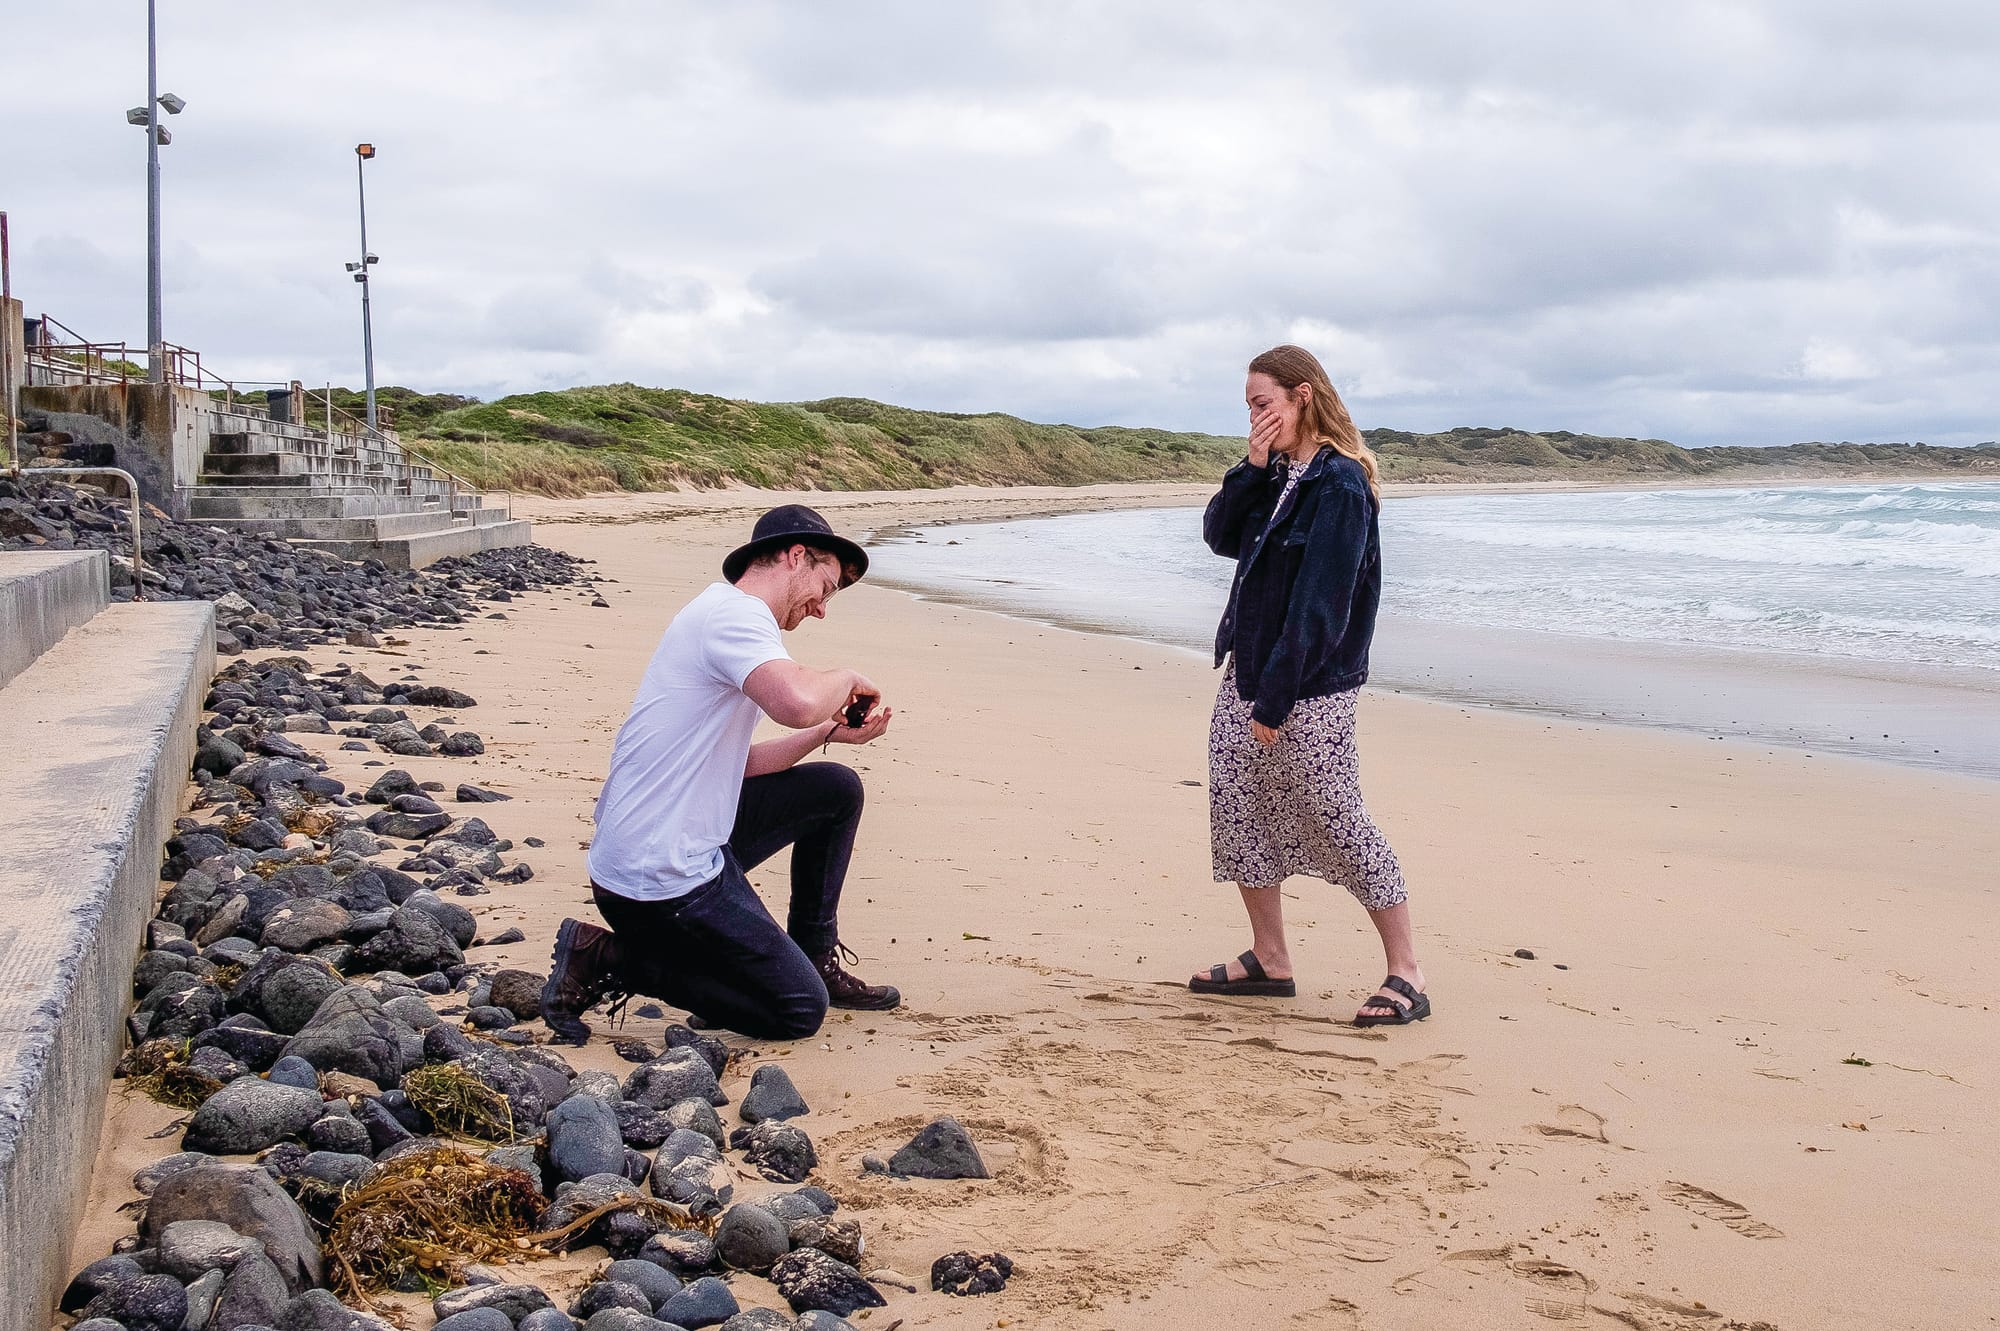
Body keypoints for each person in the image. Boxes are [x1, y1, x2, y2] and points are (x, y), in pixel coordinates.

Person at [541, 503, 901, 1044]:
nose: (823, 609)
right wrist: (847, 678)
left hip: (665, 846)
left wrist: (826, 734)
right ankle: (605, 956)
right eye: (824, 588)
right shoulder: (735, 616)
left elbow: (741, 764)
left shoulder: (724, 616)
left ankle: (814, 956)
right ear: (795, 556)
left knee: (835, 789)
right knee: (797, 1010)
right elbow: (796, 701)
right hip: (658, 881)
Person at [1189, 345, 1430, 1027]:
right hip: (1249, 669)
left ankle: (1408, 972)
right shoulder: (1277, 476)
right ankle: (1270, 957)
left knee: (1337, 817)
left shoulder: (1341, 484)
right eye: (1248, 407)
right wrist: (1253, 465)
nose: (1255, 417)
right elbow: (1217, 535)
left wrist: (1277, 696)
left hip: (1309, 686)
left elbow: (1323, 605)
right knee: (1239, 808)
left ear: (1302, 396)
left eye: (1263, 403)